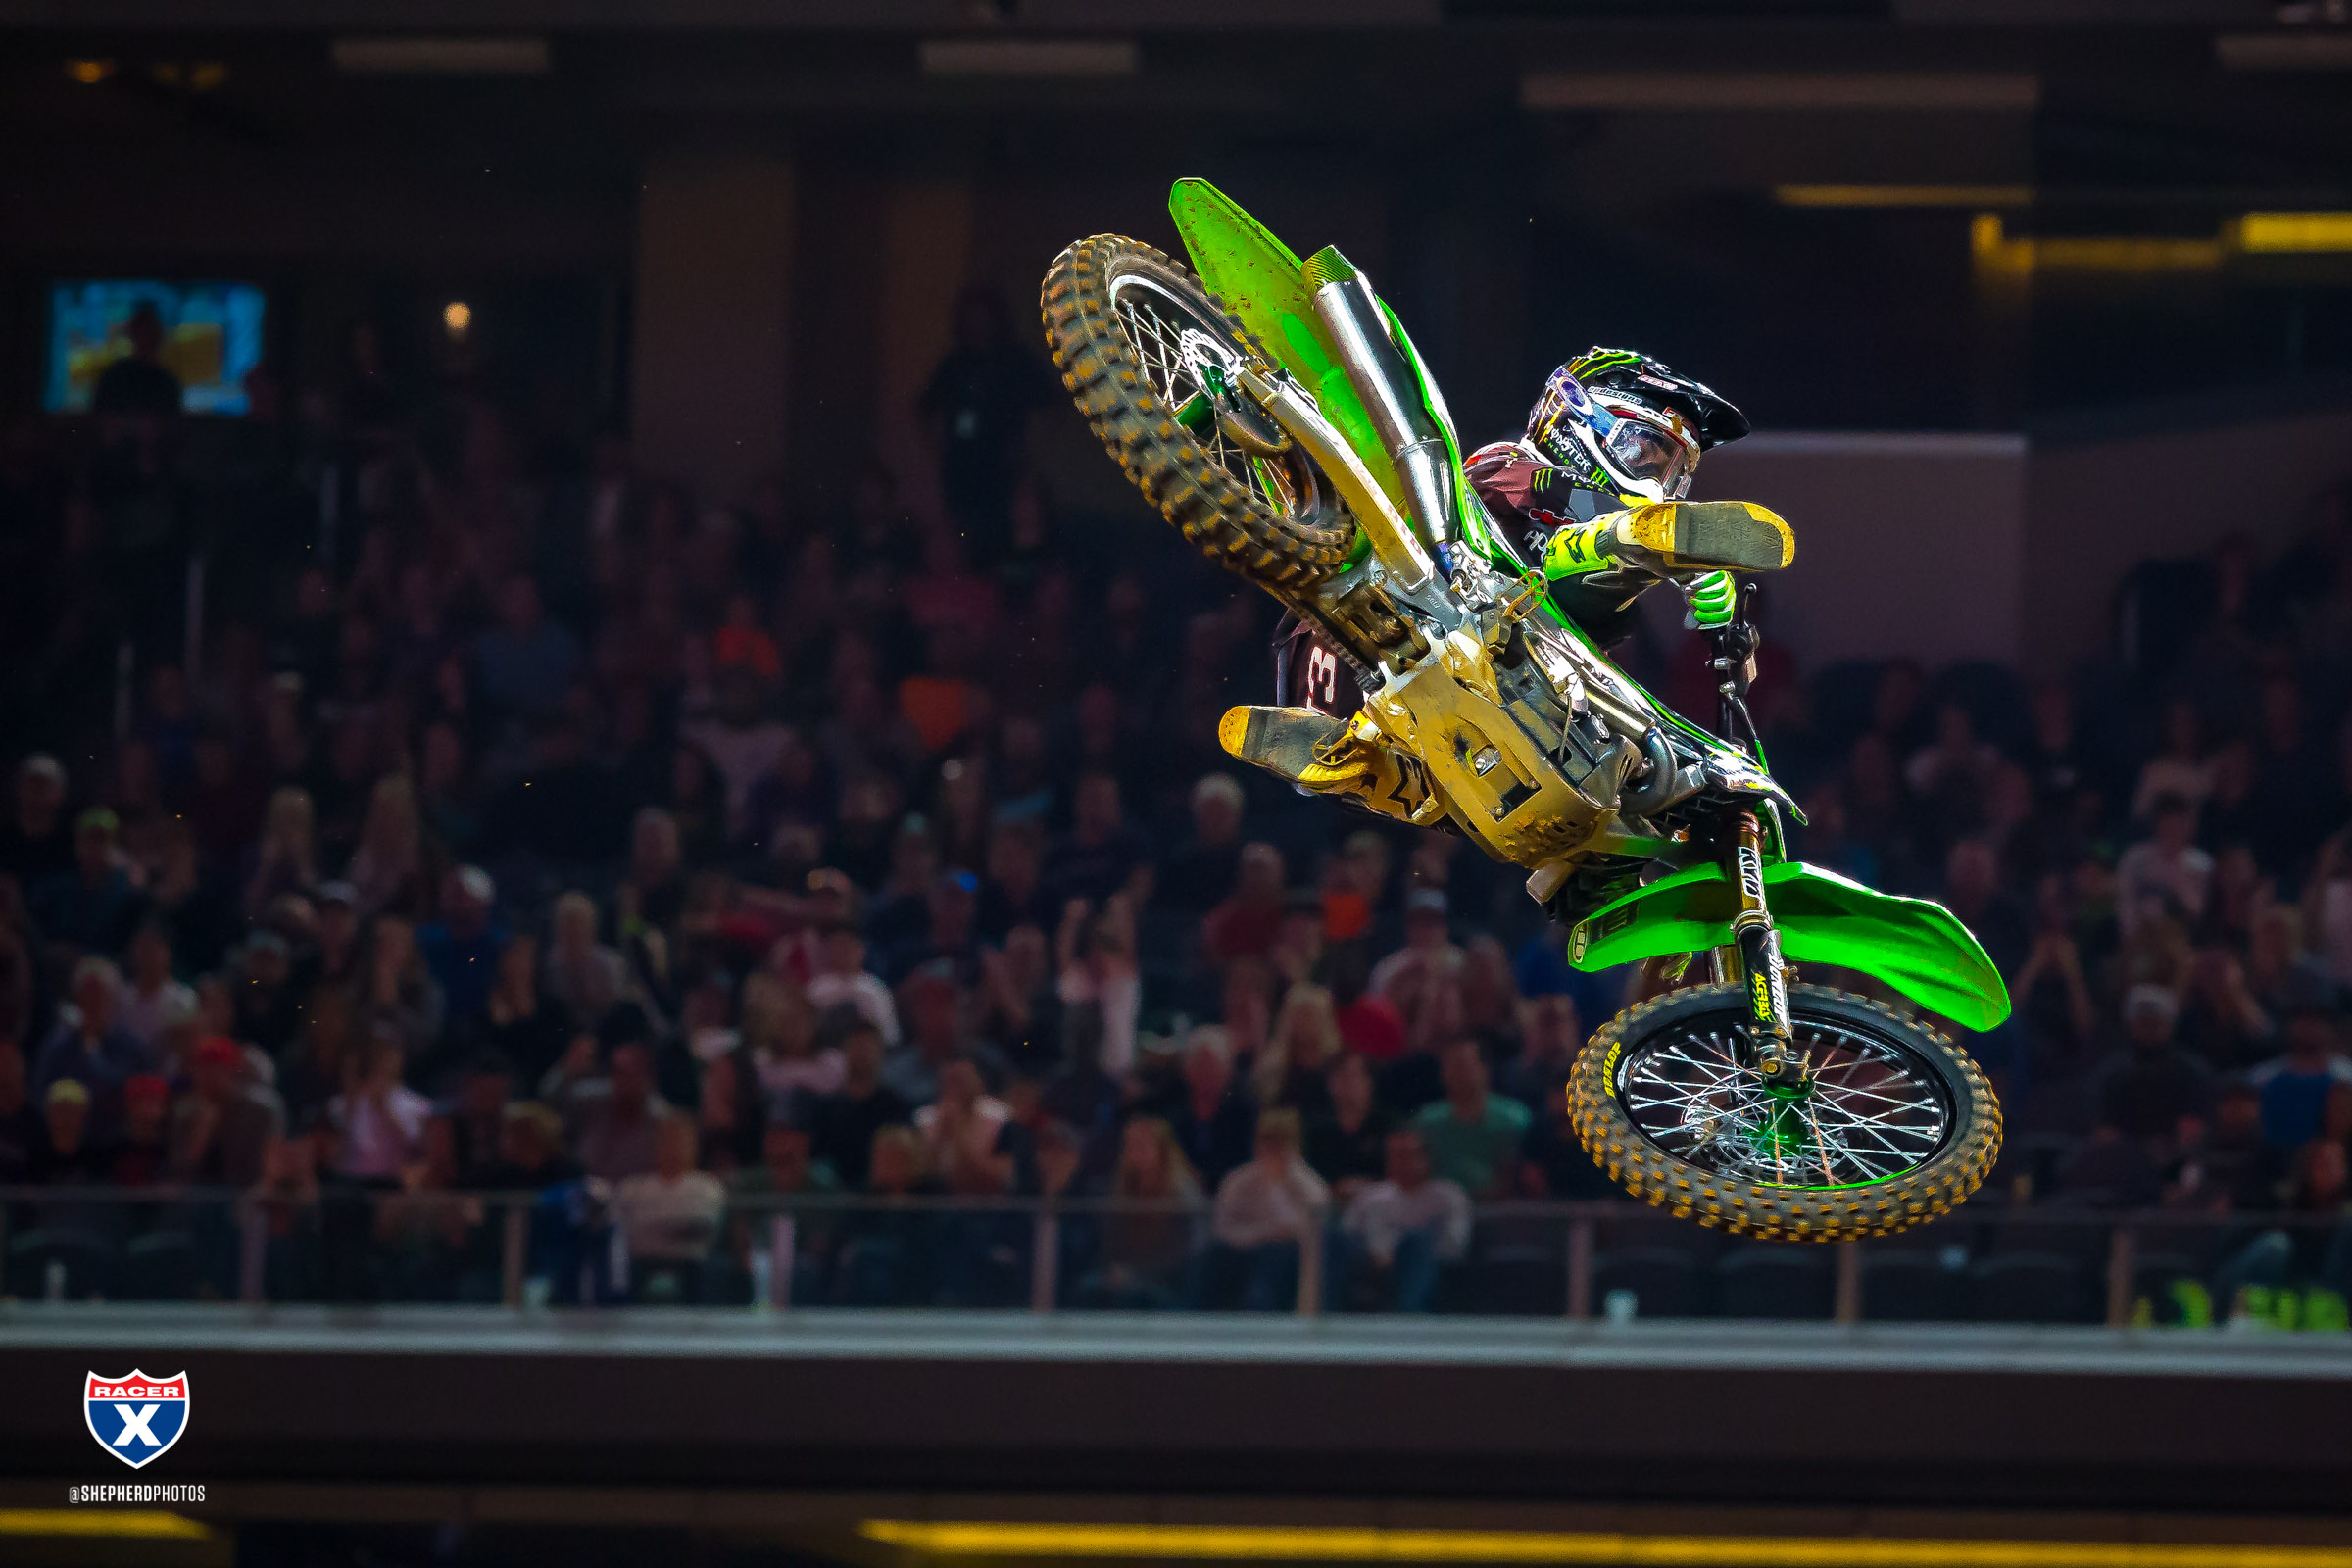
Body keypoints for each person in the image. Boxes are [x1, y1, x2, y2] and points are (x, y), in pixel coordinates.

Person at [1202, 1108, 1329, 1311]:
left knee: (1276, 1256)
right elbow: (1222, 1229)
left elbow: (1312, 1227)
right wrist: (1263, 1234)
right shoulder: (1238, 1182)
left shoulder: (1308, 1185)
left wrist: (1285, 1179)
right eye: (1268, 1141)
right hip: (1243, 1255)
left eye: (1281, 1143)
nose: (1273, 1150)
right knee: (1213, 1256)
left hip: (1288, 1261)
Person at [1336, 1127, 1472, 1313]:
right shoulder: (1371, 1197)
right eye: (1394, 1155)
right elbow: (1346, 1236)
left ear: (1427, 1158)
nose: (1399, 1162)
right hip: (1372, 1270)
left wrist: (1402, 1254)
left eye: (1405, 1155)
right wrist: (1376, 1255)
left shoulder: (1450, 1196)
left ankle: (1410, 1315)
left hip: (1429, 1271)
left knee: (1417, 1242)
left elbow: (1454, 1247)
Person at [611, 1111, 726, 1299]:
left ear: (694, 1145)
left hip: (693, 1269)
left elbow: (701, 1228)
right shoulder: (631, 1189)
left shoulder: (708, 1188)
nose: (674, 1147)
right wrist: (672, 1228)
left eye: (681, 1140)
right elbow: (621, 1233)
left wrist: (651, 1228)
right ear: (654, 1144)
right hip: (639, 1267)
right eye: (667, 1139)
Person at [1411, 1039, 1531, 1200]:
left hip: (1503, 1209)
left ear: (1484, 1070)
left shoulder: (1515, 1119)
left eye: (1464, 1067)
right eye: (1451, 1067)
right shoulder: (1427, 1123)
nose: (1458, 1075)